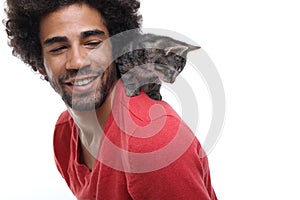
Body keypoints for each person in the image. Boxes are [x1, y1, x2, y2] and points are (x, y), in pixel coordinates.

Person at [4, 0, 217, 199]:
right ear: (39, 64)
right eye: (59, 48)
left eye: (93, 43)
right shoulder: (64, 134)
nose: (78, 61)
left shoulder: (151, 144)